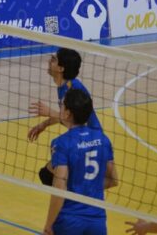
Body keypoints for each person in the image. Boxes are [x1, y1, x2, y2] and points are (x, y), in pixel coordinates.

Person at [43, 88, 118, 235]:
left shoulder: (62, 143)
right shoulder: (103, 139)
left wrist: (49, 224)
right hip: (97, 220)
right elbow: (113, 180)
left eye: (62, 106)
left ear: (68, 113)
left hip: (69, 220)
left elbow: (59, 187)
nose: (60, 108)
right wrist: (87, 188)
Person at [28, 48, 102, 186]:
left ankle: (74, 202)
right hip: (81, 136)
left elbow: (74, 119)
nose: (50, 60)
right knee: (47, 175)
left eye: (54, 59)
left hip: (90, 139)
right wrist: (43, 125)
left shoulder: (73, 89)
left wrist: (50, 112)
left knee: (52, 176)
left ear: (61, 68)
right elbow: (66, 116)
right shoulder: (64, 86)